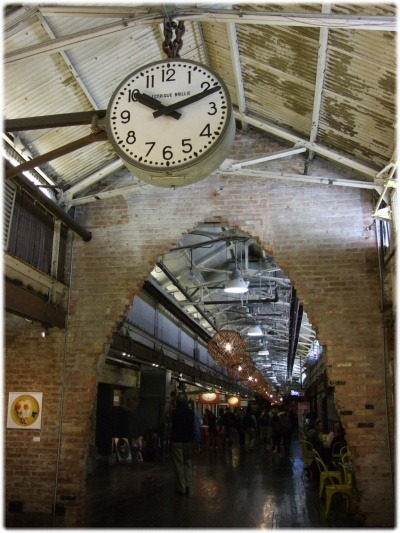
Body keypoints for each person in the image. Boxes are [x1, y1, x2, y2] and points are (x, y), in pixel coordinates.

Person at [170, 392, 201, 495]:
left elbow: (170, 425)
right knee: (188, 462)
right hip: (189, 442)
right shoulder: (192, 414)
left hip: (176, 441)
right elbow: (196, 430)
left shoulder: (174, 413)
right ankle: (188, 485)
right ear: (187, 402)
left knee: (179, 464)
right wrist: (197, 444)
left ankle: (181, 487)